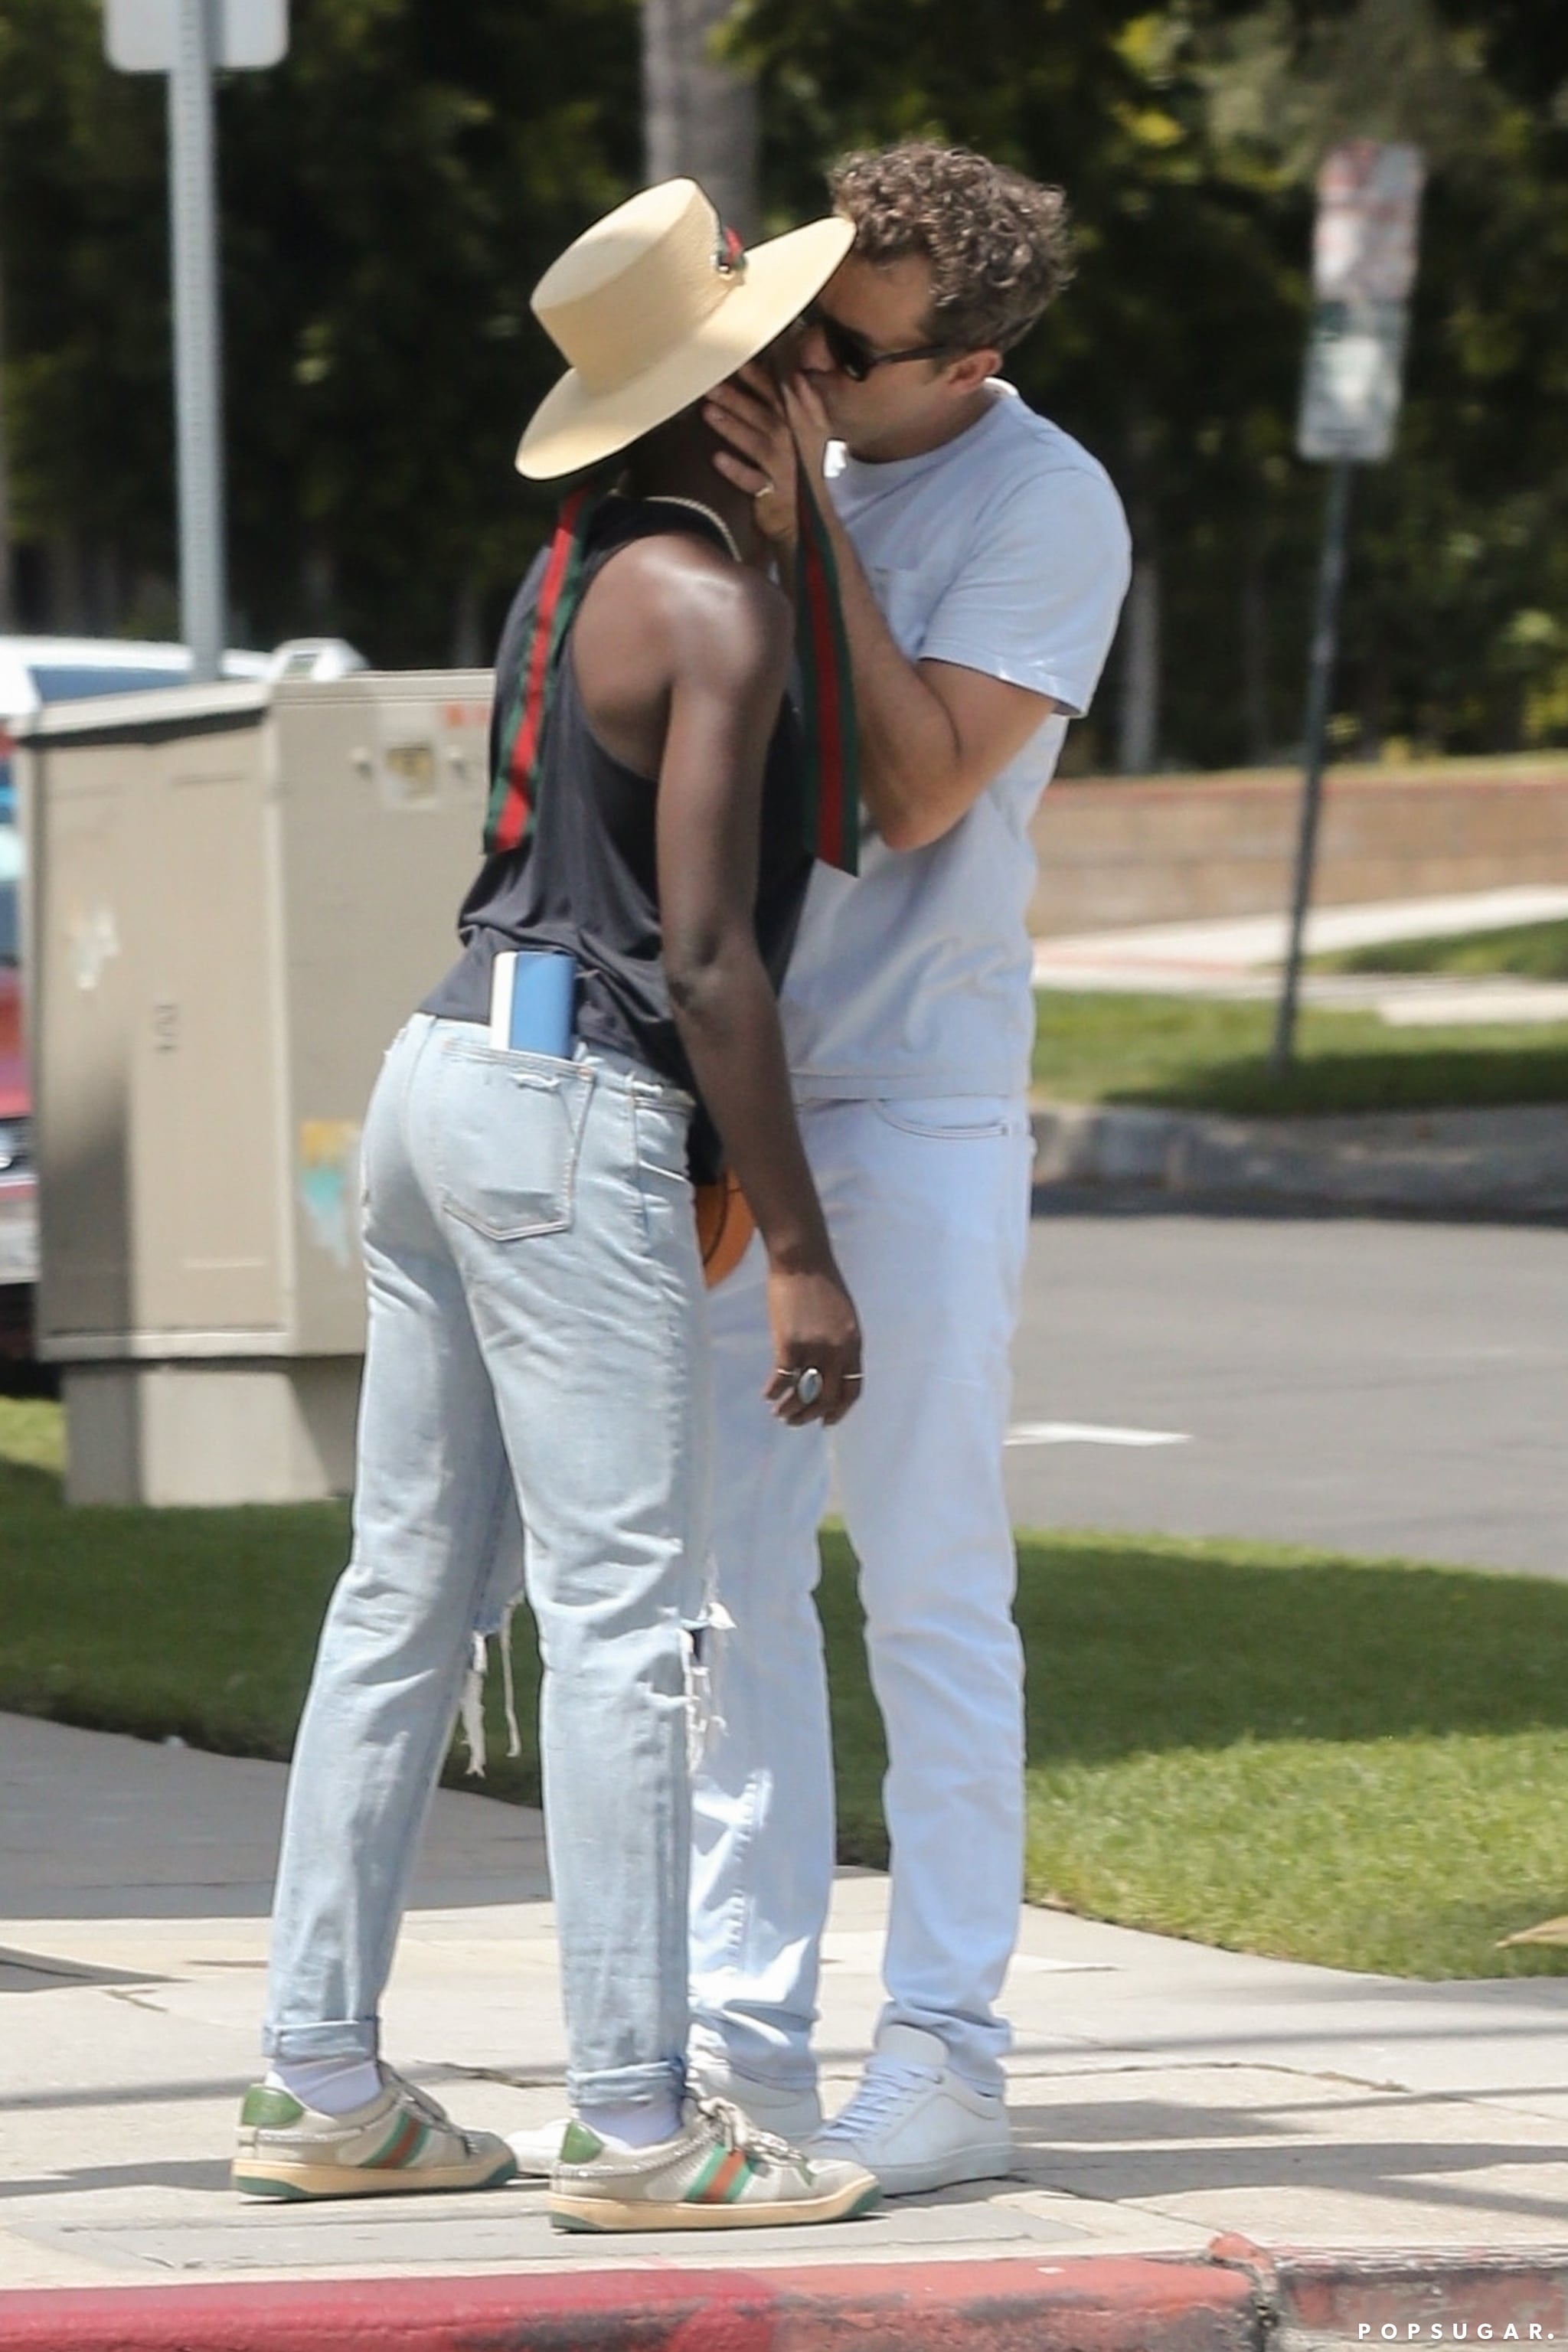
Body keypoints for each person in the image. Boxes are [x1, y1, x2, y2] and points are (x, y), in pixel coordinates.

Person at [233, 177, 882, 2236]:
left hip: (435, 1080)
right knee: (625, 1630)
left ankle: (320, 2079)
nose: (822, 380)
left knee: (401, 1605)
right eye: (800, 352)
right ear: (732, 393)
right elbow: (707, 955)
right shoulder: (717, 609)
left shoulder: (578, 568)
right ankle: (634, 2123)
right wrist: (797, 1246)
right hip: (566, 1106)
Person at [687, 143, 1133, 2194]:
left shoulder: (1043, 503)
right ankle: (736, 2045)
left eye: (836, 351)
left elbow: (931, 783)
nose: (792, 365)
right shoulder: (799, 444)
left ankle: (949, 2045)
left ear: (957, 365)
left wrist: (807, 534)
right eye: (789, 313)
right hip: (739, 1092)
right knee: (725, 1584)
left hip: (920, 1097)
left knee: (932, 1573)